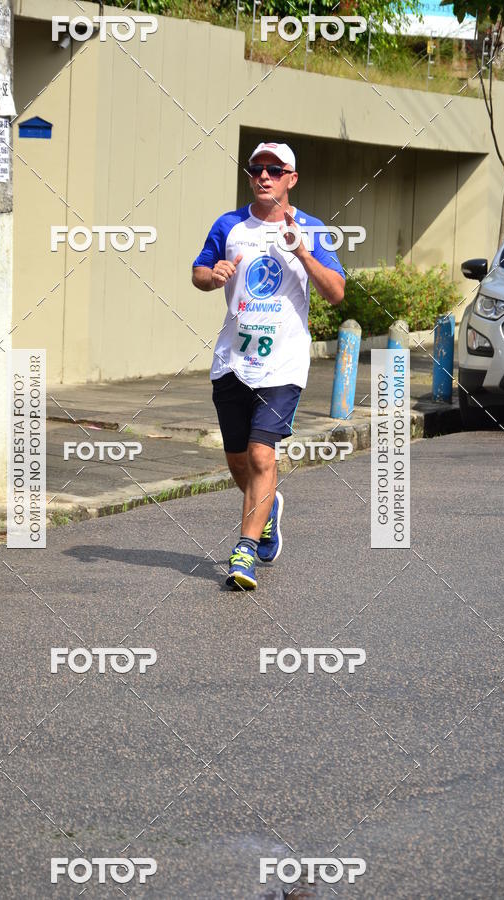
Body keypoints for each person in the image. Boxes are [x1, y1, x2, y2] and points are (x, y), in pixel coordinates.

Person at [191, 141, 345, 590]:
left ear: (291, 179)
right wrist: (213, 274)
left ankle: (244, 553)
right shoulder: (229, 224)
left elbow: (336, 292)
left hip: (283, 366)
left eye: (274, 170)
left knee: (263, 454)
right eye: (256, 168)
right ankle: (268, 508)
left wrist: (301, 252)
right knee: (239, 462)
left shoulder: (312, 229)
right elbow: (198, 273)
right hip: (232, 361)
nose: (264, 176)